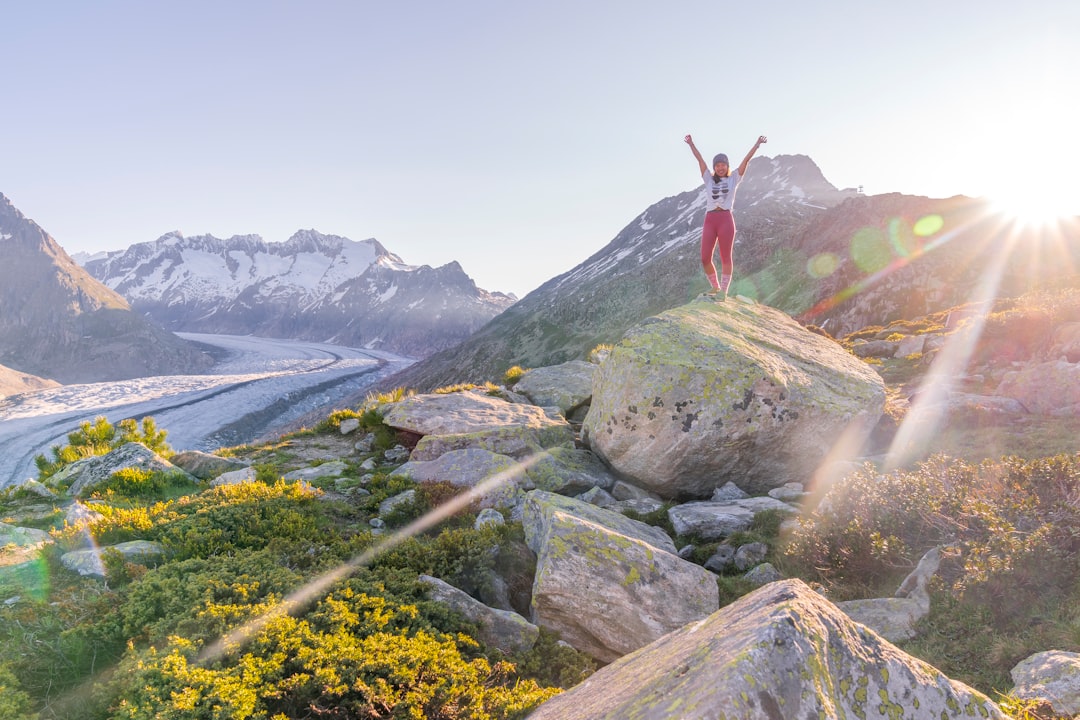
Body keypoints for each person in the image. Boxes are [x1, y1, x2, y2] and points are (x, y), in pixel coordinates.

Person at [684, 133, 767, 301]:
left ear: (727, 166)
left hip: (726, 219)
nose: (720, 168)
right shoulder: (708, 179)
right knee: (705, 257)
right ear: (714, 168)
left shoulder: (734, 178)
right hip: (710, 219)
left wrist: (757, 144)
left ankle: (723, 291)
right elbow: (700, 161)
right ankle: (715, 286)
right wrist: (691, 144)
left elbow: (746, 161)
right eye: (717, 166)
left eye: (723, 165)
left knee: (725, 256)